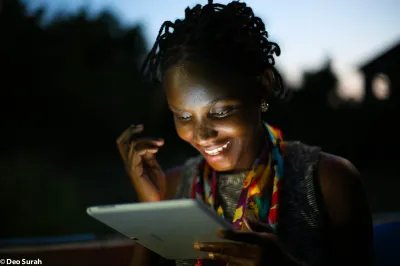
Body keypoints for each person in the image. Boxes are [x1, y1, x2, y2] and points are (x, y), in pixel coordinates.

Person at [117, 1, 374, 265]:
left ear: (263, 84)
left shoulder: (329, 182)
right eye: (183, 116)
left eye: (220, 112)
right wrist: (150, 211)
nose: (203, 135)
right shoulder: (170, 189)